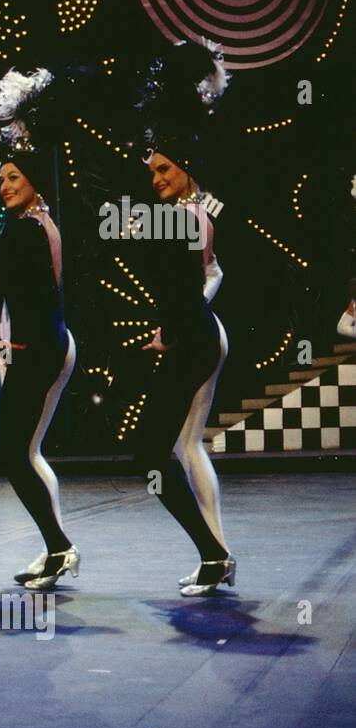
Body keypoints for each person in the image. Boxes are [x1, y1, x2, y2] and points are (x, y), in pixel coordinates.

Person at [132, 39, 235, 596]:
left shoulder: (183, 218)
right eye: (152, 172)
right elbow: (208, 276)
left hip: (195, 340)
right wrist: (176, 324)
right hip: (198, 334)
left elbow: (190, 285)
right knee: (184, 446)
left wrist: (174, 331)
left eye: (164, 170)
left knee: (153, 452)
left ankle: (214, 553)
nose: (156, 180)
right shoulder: (190, 213)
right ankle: (215, 554)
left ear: (185, 168)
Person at [0, 66, 79, 590]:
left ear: (35, 181)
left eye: (13, 178)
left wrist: (12, 342)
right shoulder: (36, 224)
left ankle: (60, 546)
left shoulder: (27, 228)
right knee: (24, 453)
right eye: (0, 179)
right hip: (43, 342)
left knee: (12, 454)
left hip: (40, 345)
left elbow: (18, 289)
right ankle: (54, 546)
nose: (4, 186)